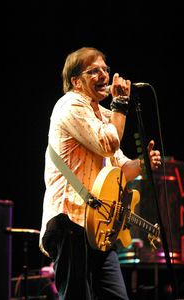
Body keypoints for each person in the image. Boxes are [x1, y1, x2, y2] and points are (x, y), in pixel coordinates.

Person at [39, 46, 162, 300]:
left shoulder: (102, 115)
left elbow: (120, 170)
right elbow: (109, 143)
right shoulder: (70, 105)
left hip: (98, 226)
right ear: (76, 81)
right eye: (94, 71)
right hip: (70, 220)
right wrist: (120, 104)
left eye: (105, 69)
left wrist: (143, 163)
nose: (104, 75)